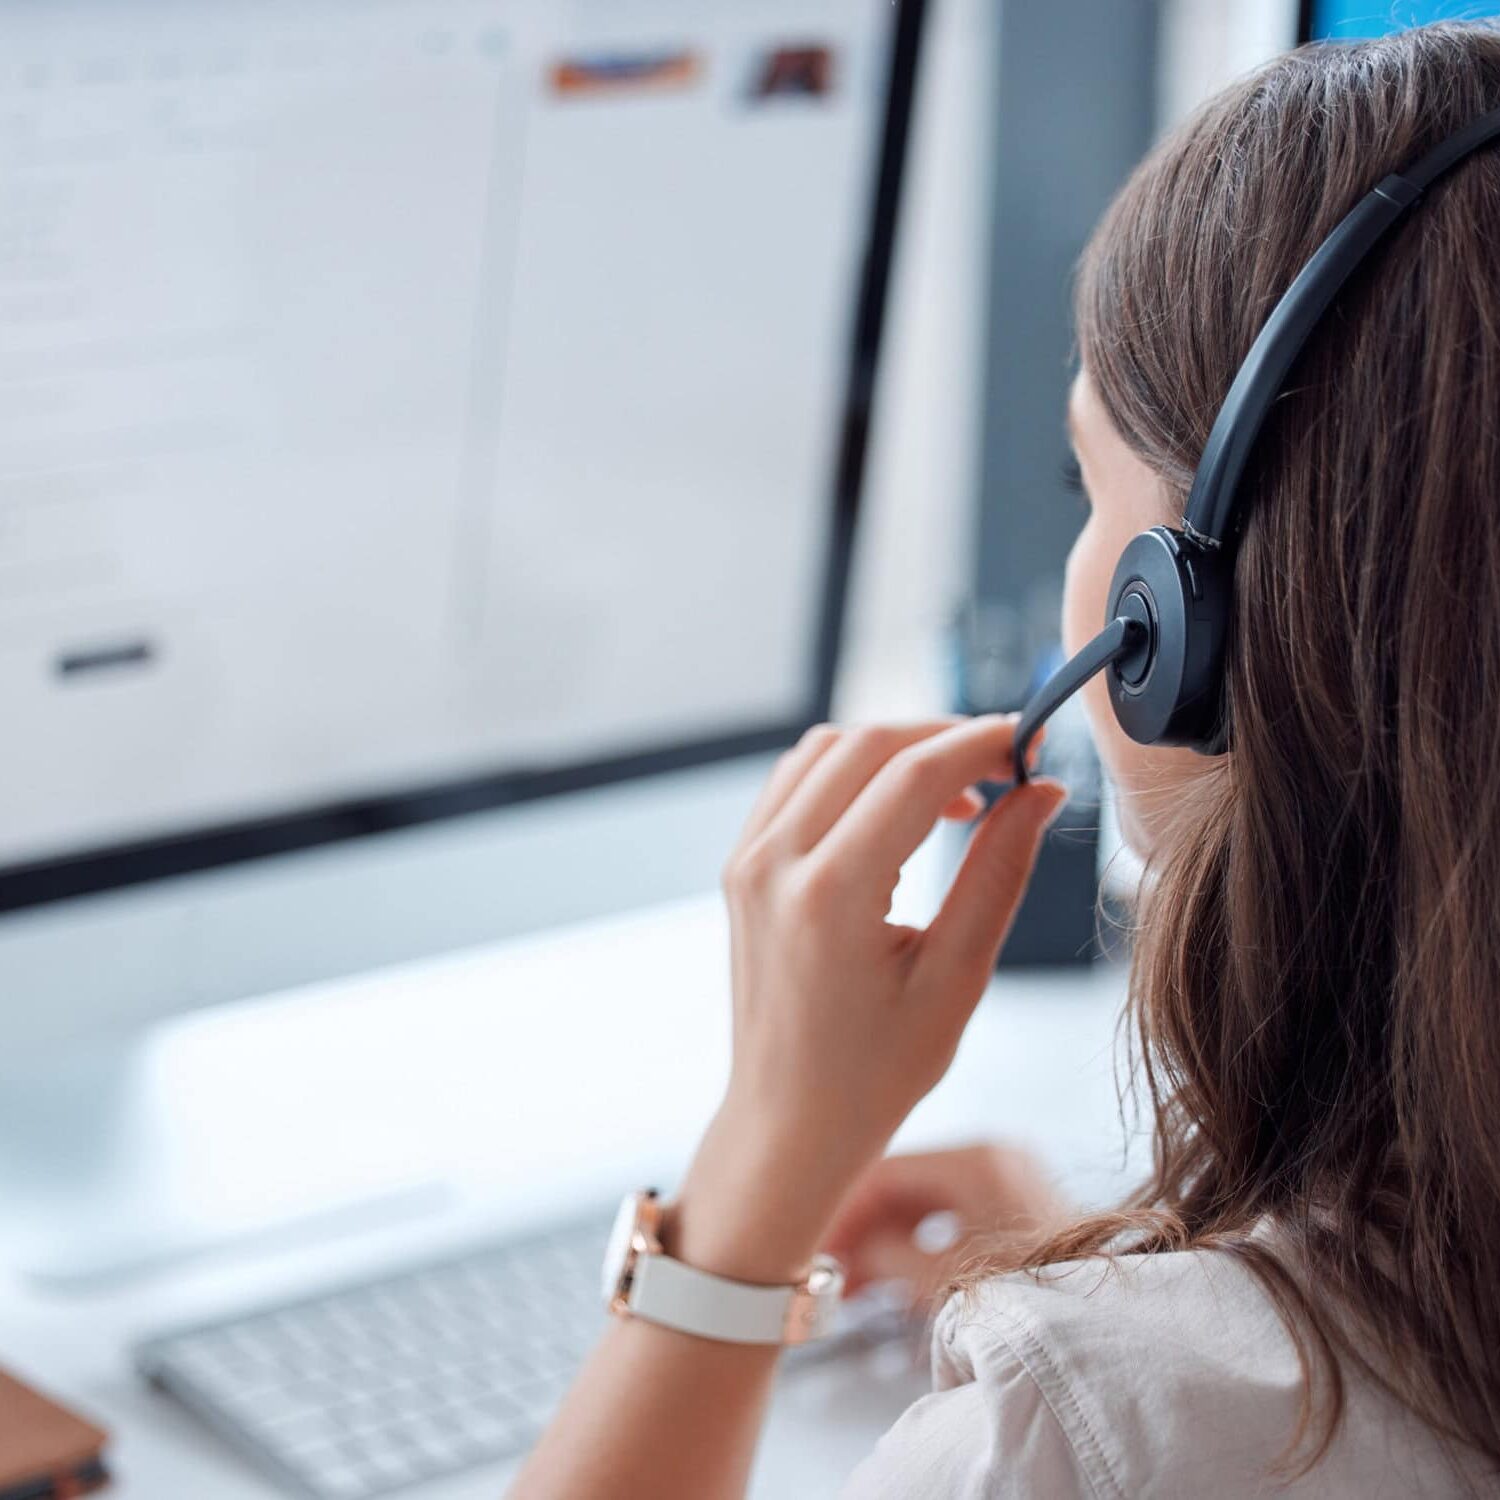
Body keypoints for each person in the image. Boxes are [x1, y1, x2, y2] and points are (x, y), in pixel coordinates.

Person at [512, 22, 1500, 1496]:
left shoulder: (1107, 1429)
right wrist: (1153, 1262)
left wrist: (754, 1180)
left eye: (1083, 479)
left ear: (1177, 626)